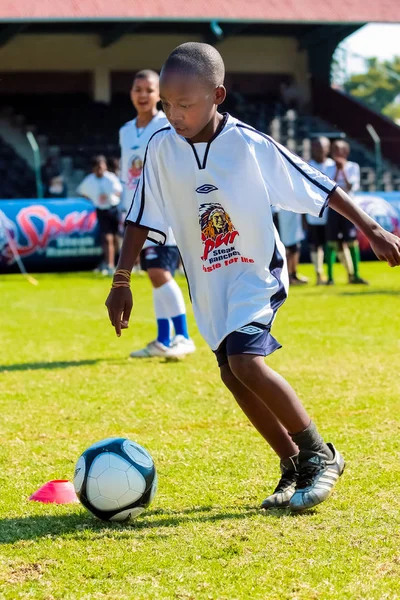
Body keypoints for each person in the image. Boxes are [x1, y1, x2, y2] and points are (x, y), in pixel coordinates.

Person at [106, 43, 400, 512]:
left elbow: (320, 185)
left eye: (186, 104)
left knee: (246, 363)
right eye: (166, 104)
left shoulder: (248, 143)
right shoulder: (160, 146)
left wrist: (374, 228)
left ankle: (319, 455)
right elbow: (141, 215)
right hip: (207, 280)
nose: (174, 114)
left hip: (255, 272)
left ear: (217, 94)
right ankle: (293, 464)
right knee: (230, 373)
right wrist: (121, 280)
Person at [119, 69, 194, 358]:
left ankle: (184, 336)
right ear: (131, 93)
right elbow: (130, 172)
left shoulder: (168, 124)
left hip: (163, 211)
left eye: (149, 90)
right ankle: (164, 339)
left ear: (159, 95)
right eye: (137, 89)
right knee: (153, 275)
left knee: (159, 271)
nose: (142, 95)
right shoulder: (125, 130)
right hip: (137, 215)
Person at [326, 140, 368, 285]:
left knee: (351, 241)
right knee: (331, 242)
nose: (336, 153)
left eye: (339, 150)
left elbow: (350, 187)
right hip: (333, 209)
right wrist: (337, 170)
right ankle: (330, 277)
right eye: (334, 150)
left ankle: (355, 275)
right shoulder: (328, 167)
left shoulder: (352, 167)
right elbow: (329, 187)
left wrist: (342, 169)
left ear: (345, 152)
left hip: (349, 209)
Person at [77, 155, 122, 276]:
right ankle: (110, 265)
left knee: (116, 238)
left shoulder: (110, 178)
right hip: (101, 211)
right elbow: (81, 191)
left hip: (113, 209)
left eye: (102, 167)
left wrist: (110, 197)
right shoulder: (90, 180)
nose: (100, 170)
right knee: (107, 238)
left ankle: (117, 262)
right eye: (98, 168)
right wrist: (94, 199)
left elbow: (119, 191)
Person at [306, 137, 335, 284]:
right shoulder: (307, 165)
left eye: (321, 147)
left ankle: (332, 275)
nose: (319, 150)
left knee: (333, 244)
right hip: (313, 215)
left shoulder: (333, 166)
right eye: (316, 147)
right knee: (315, 245)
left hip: (331, 215)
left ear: (328, 149)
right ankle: (319, 274)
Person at [277, 210, 308, 285]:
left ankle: (293, 275)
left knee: (294, 248)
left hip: (291, 218)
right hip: (286, 218)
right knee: (290, 249)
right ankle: (290, 276)